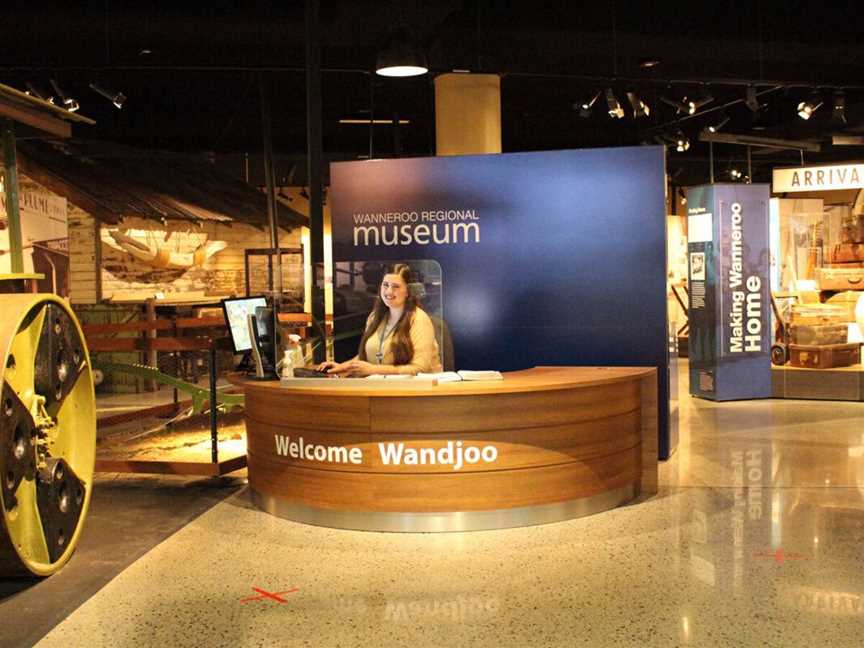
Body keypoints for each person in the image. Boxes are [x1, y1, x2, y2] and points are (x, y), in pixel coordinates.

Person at [318, 263, 443, 377]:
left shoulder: (419, 320)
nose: (389, 291)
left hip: (416, 393)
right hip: (381, 388)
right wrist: (341, 367)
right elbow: (367, 357)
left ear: (408, 292)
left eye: (396, 287)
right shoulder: (375, 317)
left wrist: (374, 370)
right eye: (385, 285)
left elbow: (419, 369)